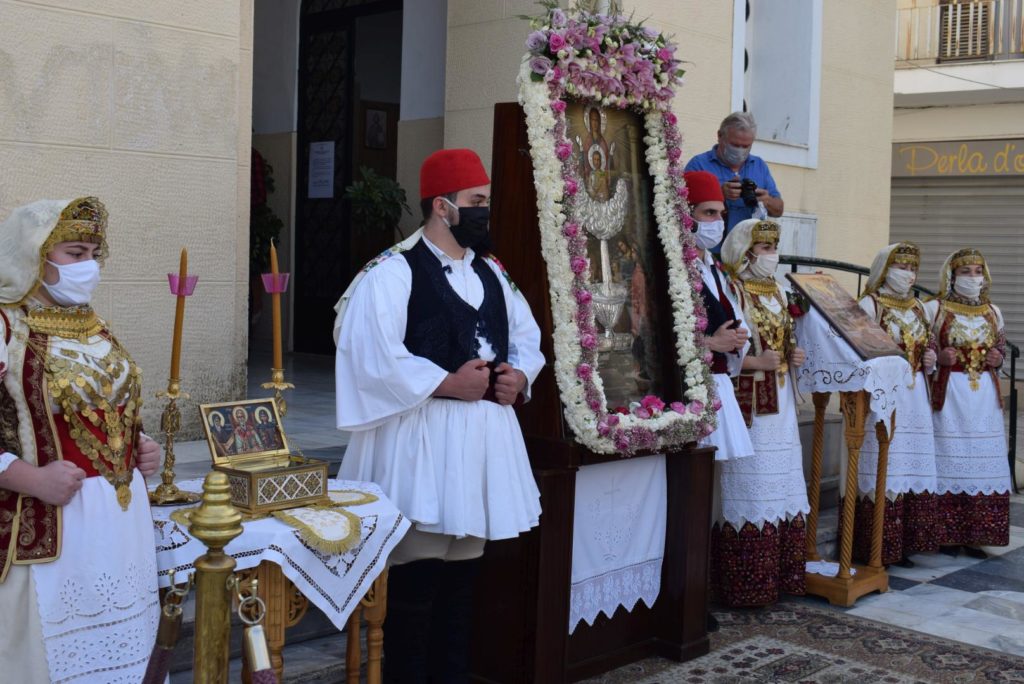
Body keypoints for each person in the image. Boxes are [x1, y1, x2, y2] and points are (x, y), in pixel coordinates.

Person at [334, 148, 544, 683]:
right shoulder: (392, 271)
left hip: (481, 445)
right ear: (442, 206)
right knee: (417, 583)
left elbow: (526, 337)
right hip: (420, 437)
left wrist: (519, 376)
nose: (485, 213)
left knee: (462, 583)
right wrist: (447, 382)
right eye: (476, 202)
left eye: (487, 203)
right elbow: (368, 349)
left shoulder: (493, 272)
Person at [0, 197, 163, 682]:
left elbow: (103, 407)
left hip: (118, 524)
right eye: (74, 252)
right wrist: (29, 477)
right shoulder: (7, 325)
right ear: (36, 255)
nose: (87, 265)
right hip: (50, 522)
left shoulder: (92, 324)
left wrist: (140, 445)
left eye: (93, 252)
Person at [714, 218, 808, 607]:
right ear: (745, 249)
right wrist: (756, 362)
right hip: (750, 400)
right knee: (751, 482)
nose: (771, 254)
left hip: (782, 400)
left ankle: (779, 576)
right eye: (764, 247)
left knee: (783, 482)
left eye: (773, 246)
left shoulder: (780, 290)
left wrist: (793, 355)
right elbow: (723, 347)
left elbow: (786, 339)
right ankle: (745, 584)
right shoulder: (731, 288)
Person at [852, 243, 938, 567]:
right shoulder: (869, 304)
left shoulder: (917, 307)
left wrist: (929, 358)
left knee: (909, 464)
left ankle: (903, 544)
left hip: (915, 395)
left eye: (913, 267)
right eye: (901, 266)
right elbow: (858, 349)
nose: (909, 273)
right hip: (884, 396)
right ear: (885, 269)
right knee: (884, 466)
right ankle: (876, 546)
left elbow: (927, 344)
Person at [924, 248, 1011, 558]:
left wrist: (997, 358)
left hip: (983, 395)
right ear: (951, 276)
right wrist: (939, 360)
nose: (972, 278)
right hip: (950, 395)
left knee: (981, 459)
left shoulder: (993, 311)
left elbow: (1001, 348)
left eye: (977, 272)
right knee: (949, 456)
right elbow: (924, 351)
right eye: (965, 272)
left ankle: (977, 534)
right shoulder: (934, 309)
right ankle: (945, 534)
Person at [684, 112, 784, 246]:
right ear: (720, 136)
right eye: (735, 145)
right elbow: (682, 209)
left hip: (747, 253)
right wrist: (719, 194)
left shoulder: (759, 165)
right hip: (709, 251)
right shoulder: (699, 164)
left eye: (746, 146)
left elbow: (779, 210)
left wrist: (766, 200)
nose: (740, 151)